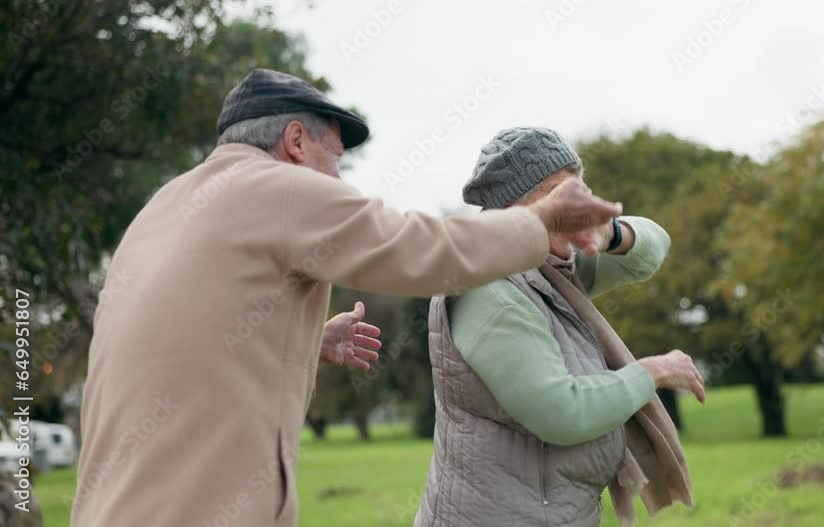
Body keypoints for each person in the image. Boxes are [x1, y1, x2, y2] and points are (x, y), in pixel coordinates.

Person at [71, 71, 622, 527]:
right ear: (294, 141)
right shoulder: (275, 188)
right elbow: (423, 250)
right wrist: (538, 223)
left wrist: (304, 341)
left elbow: (178, 349)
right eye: (335, 159)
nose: (338, 178)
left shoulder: (165, 206)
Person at [415, 127, 706, 527]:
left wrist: (611, 232)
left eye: (580, 192)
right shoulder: (487, 288)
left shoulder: (550, 267)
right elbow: (561, 412)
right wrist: (652, 372)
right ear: (515, 212)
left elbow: (653, 248)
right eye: (559, 195)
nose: (579, 208)